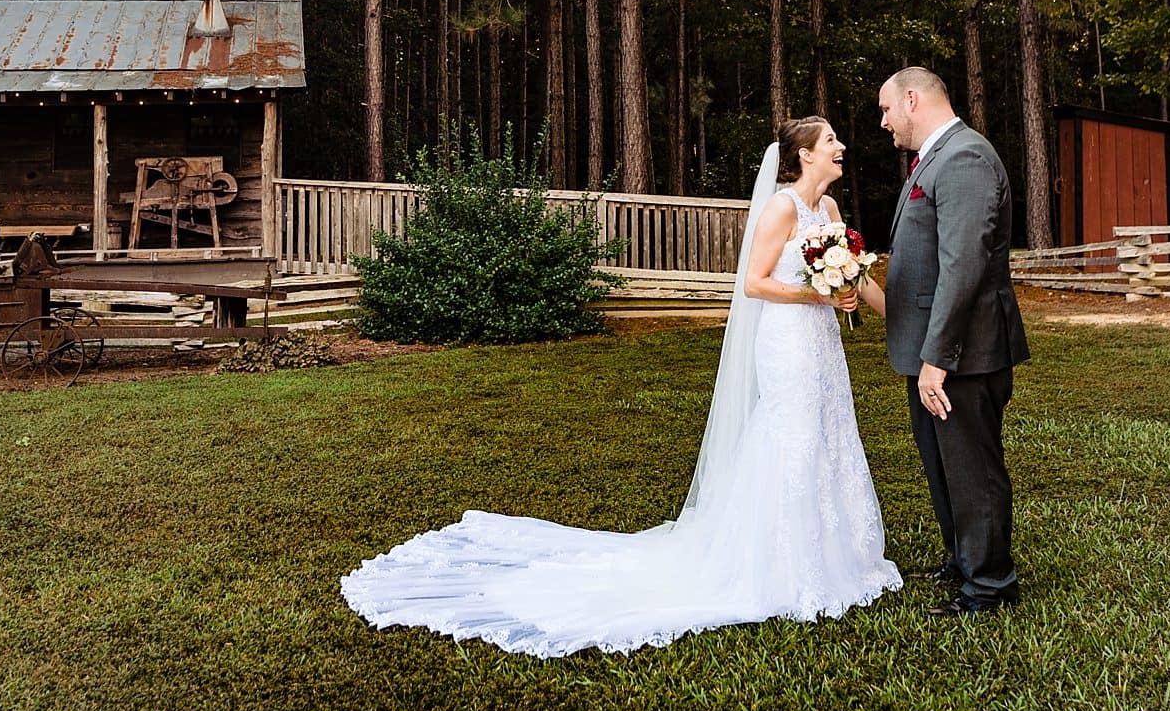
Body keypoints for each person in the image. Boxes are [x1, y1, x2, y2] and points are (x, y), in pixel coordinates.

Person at [339, 118, 902, 656]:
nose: (840, 146)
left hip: (822, 341)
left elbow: (851, 269)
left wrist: (878, 308)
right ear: (803, 154)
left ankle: (837, 557)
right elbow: (754, 284)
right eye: (830, 139)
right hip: (787, 339)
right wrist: (815, 295)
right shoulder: (780, 208)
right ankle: (779, 564)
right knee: (792, 434)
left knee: (829, 428)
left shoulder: (826, 207)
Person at [857, 67, 1030, 616]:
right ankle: (964, 559)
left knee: (971, 469)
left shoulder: (964, 158)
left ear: (912, 100)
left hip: (963, 354)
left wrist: (938, 358)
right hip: (933, 349)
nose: (883, 122)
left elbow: (963, 265)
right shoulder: (934, 157)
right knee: (941, 464)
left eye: (886, 109)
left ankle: (989, 587)